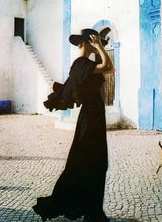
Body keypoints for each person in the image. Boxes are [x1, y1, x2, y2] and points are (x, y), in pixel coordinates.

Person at [32, 28, 114, 222]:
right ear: (85, 43)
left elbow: (70, 86)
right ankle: (83, 209)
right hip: (91, 117)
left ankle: (93, 211)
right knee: (87, 160)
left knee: (96, 162)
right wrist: (100, 47)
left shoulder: (84, 65)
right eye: (93, 42)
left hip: (94, 115)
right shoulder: (81, 63)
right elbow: (109, 67)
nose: (96, 45)